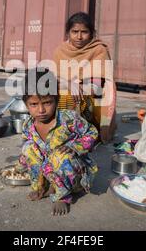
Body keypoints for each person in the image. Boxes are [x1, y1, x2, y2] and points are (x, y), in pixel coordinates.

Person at [17, 69, 99, 216]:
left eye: (47, 103)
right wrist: (21, 164)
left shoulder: (69, 119)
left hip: (73, 175)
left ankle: (63, 195)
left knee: (60, 155)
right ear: (26, 104)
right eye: (34, 104)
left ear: (56, 99)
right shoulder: (28, 126)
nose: (41, 110)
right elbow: (27, 153)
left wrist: (75, 146)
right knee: (28, 147)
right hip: (49, 173)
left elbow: (92, 133)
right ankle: (41, 187)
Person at [52, 12, 116, 144]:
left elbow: (98, 85)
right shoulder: (60, 50)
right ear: (68, 33)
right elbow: (53, 78)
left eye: (84, 32)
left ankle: (86, 130)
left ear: (92, 33)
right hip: (69, 90)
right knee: (52, 91)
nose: (79, 37)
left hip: (93, 99)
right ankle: (64, 129)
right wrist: (69, 83)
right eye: (74, 31)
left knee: (71, 94)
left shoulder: (98, 50)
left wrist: (78, 86)